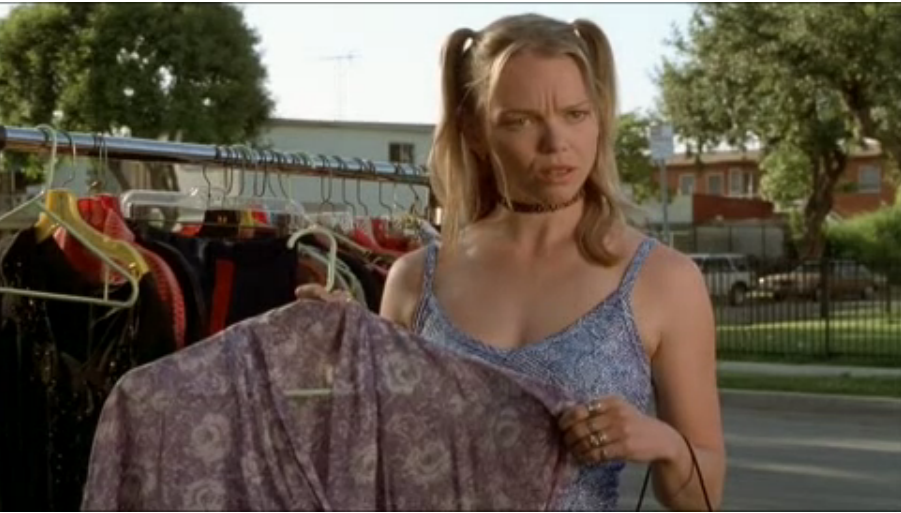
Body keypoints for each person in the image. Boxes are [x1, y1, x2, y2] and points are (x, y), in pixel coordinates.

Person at [297, 13, 725, 511]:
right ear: (475, 131)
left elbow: (703, 499)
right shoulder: (415, 280)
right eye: (520, 121)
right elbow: (377, 471)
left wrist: (664, 443)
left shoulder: (663, 280)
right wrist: (339, 361)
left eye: (575, 114)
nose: (556, 143)